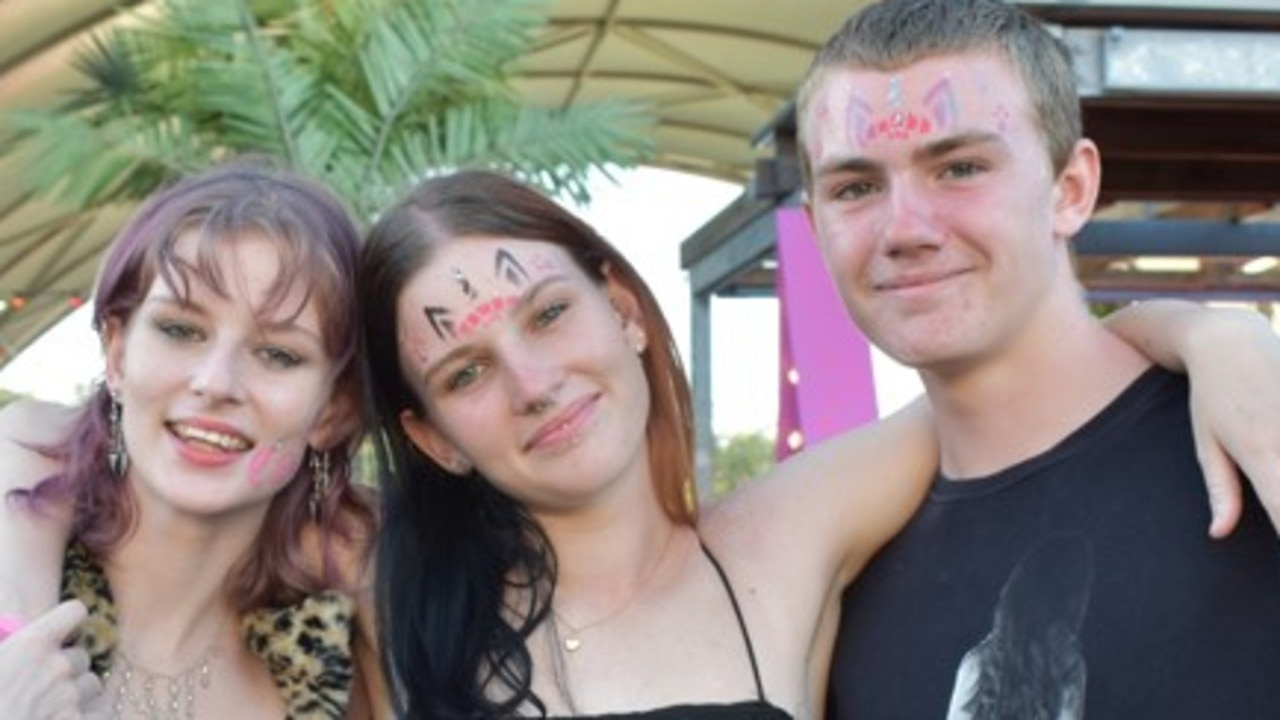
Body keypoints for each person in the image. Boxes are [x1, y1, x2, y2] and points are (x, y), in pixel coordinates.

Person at [359, 169, 1280, 718]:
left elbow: (1032, 369)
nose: (534, 382)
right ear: (432, 438)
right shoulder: (383, 605)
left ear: (626, 313)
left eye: (551, 314)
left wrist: (1210, 334)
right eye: (466, 374)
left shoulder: (783, 537)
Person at [792, 0, 1280, 717]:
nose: (904, 229)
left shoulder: (1255, 446)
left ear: (1071, 189)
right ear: (815, 225)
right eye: (856, 187)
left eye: (959, 167)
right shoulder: (828, 576)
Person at [0, 162, 384, 719]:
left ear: (333, 409)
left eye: (279, 354)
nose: (215, 383)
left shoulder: (333, 675)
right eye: (180, 329)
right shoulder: (20, 546)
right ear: (117, 353)